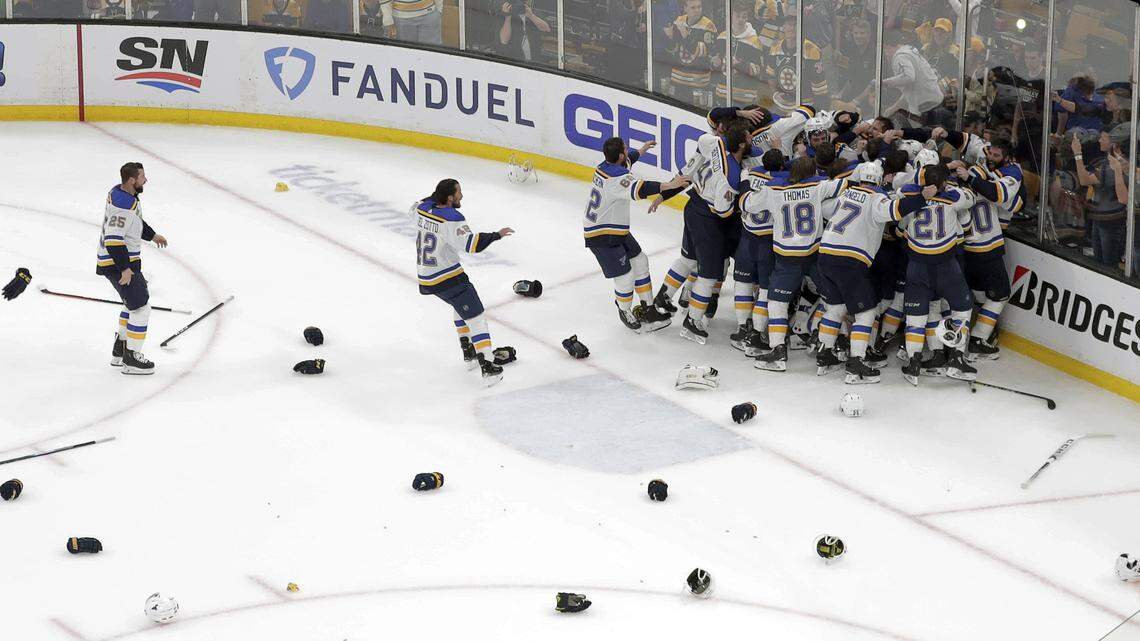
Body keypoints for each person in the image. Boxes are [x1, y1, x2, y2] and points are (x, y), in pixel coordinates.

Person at [817, 162, 931, 383]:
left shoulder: (846, 195)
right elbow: (895, 211)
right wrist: (922, 198)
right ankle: (856, 365)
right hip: (850, 260)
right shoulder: (876, 198)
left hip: (825, 255)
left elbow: (824, 208)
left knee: (836, 308)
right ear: (878, 180)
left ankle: (825, 356)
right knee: (867, 313)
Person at [742, 156, 846, 371]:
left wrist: (745, 182)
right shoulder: (819, 187)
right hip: (814, 256)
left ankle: (778, 351)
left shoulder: (775, 191)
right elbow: (844, 183)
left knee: (777, 303)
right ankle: (827, 349)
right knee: (834, 302)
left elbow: (747, 204)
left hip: (786, 259)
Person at [415, 179, 516, 386]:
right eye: (459, 193)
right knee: (477, 316)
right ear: (450, 198)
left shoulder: (422, 208)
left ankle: (469, 353)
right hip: (447, 276)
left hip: (426, 275)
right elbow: (471, 244)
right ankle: (488, 368)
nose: (462, 196)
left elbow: (425, 202)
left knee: (460, 306)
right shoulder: (452, 218)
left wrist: (436, 198)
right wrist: (496, 235)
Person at [585, 138, 690, 332]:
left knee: (640, 261)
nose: (628, 150)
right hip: (601, 235)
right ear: (620, 156)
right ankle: (625, 311)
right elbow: (643, 188)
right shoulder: (616, 178)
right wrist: (672, 184)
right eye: (626, 149)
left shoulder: (607, 165)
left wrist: (642, 150)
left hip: (615, 229)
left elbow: (629, 160)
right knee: (625, 277)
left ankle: (648, 309)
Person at [896, 164, 977, 384]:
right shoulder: (954, 197)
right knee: (962, 309)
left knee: (918, 316)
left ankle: (916, 361)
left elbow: (899, 217)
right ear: (943, 183)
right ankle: (957, 358)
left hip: (917, 266)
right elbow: (970, 197)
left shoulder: (907, 194)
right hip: (946, 266)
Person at [676, 122, 752, 344]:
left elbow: (702, 140)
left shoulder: (717, 143)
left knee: (704, 267)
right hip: (707, 219)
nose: (751, 142)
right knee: (709, 274)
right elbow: (722, 210)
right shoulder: (732, 176)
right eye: (748, 139)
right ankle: (692, 320)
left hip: (696, 207)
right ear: (739, 145)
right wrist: (739, 203)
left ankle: (693, 311)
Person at [949, 137, 1023, 360]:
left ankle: (973, 334)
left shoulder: (959, 191)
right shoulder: (990, 186)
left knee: (978, 291)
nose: (991, 158)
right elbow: (1014, 203)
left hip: (967, 249)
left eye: (996, 156)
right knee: (1000, 294)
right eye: (990, 154)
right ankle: (979, 339)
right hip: (988, 248)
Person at [97, 162, 168, 375]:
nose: (145, 180)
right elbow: (113, 239)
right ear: (131, 180)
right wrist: (125, 269)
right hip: (118, 264)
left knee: (132, 305)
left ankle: (120, 351)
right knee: (141, 308)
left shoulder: (123, 195)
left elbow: (134, 222)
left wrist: (152, 235)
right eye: (142, 177)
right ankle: (132, 358)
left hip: (121, 262)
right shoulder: (122, 204)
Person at [1072, 131, 1129, 269]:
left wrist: (1078, 155)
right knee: (1099, 264)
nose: (1099, 141)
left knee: (1108, 266)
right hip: (1100, 220)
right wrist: (1077, 154)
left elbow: (1085, 180)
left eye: (1103, 138)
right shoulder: (1106, 162)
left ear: (1113, 143)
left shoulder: (1122, 166)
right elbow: (1085, 179)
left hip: (1112, 224)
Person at [877, 31, 943, 128]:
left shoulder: (900, 56)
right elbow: (910, 89)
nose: (885, 54)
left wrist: (884, 82)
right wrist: (894, 107)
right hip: (933, 102)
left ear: (886, 46)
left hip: (926, 106)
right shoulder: (909, 50)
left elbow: (909, 77)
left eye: (884, 50)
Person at [767, 15, 827, 113]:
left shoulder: (812, 50)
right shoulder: (775, 47)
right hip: (780, 106)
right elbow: (770, 76)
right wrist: (775, 93)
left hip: (804, 108)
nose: (792, 28)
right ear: (783, 26)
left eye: (795, 25)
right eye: (789, 24)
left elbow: (820, 89)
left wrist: (817, 113)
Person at [663, 0, 717, 105]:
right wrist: (669, 38)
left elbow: (702, 52)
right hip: (678, 79)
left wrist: (685, 35)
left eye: (699, 7)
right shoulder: (678, 21)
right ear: (685, 8)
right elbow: (672, 50)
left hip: (698, 83)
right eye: (693, 8)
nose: (697, 10)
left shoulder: (708, 26)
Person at [711, 6, 764, 106]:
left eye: (744, 16)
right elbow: (714, 63)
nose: (741, 19)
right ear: (731, 17)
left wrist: (739, 65)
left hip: (744, 99)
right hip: (722, 94)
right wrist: (715, 63)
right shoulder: (722, 36)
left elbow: (758, 70)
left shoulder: (754, 41)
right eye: (738, 16)